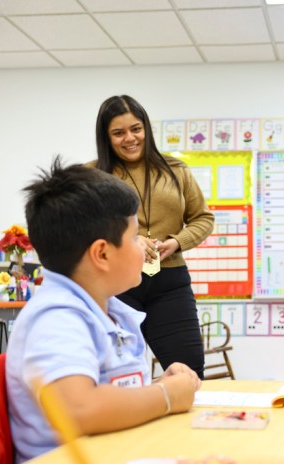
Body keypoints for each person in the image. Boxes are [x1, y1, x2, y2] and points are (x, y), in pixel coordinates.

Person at [6, 158, 202, 463]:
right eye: (134, 236)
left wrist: (160, 385)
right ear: (102, 253)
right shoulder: (57, 317)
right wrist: (166, 397)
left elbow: (107, 393)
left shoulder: (110, 312)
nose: (143, 247)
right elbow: (79, 409)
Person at [91, 95, 214, 378]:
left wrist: (178, 241)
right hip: (116, 286)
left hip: (169, 283)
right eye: (118, 133)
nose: (129, 138)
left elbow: (203, 218)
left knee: (189, 372)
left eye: (136, 129)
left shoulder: (176, 169)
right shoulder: (94, 175)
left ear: (146, 128)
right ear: (106, 137)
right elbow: (82, 227)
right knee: (117, 374)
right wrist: (129, 240)